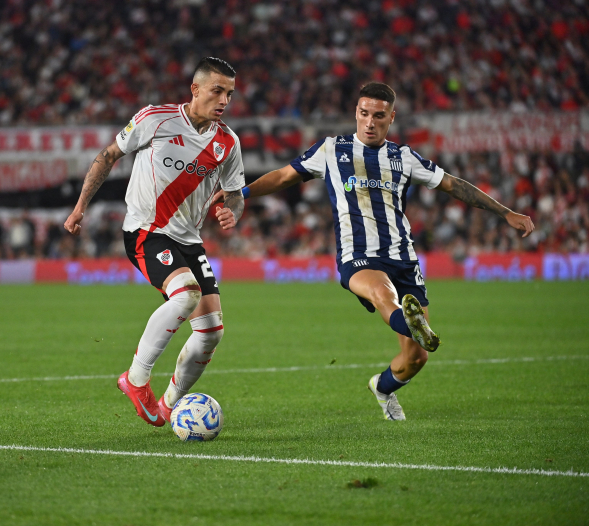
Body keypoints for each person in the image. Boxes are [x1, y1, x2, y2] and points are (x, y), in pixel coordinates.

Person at [220, 82, 534, 420]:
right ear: (356, 113)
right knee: (383, 293)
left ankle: (383, 388)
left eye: (379, 116)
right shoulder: (331, 150)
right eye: (364, 113)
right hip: (358, 257)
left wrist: (505, 212)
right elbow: (284, 177)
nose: (370, 122)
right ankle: (412, 324)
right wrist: (242, 193)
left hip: (403, 258)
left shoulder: (404, 157)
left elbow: (453, 185)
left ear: (391, 117)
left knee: (416, 359)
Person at [64, 57, 246, 427]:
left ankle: (168, 406)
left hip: (189, 241)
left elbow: (234, 194)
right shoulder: (155, 119)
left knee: (211, 333)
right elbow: (108, 156)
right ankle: (135, 378)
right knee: (187, 294)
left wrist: (233, 211)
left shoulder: (228, 142)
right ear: (195, 89)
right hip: (146, 231)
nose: (224, 100)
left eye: (229, 93)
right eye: (217, 91)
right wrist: (80, 206)